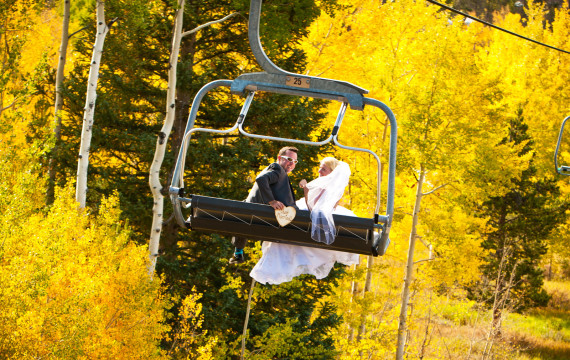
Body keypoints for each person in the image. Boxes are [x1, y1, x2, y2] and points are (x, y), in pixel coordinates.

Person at [250, 157, 360, 284]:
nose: (319, 171)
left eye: (323, 169)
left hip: (308, 219)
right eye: (320, 167)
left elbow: (313, 208)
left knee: (284, 229)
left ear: (332, 172)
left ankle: (275, 266)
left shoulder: (327, 188)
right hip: (306, 221)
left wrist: (306, 190)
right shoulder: (330, 187)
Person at [229, 146, 299, 264]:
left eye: (295, 161)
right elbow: (261, 179)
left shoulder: (278, 173)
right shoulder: (277, 169)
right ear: (279, 158)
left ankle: (238, 252)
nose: (291, 163)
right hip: (267, 217)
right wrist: (271, 201)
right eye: (289, 159)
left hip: (251, 215)